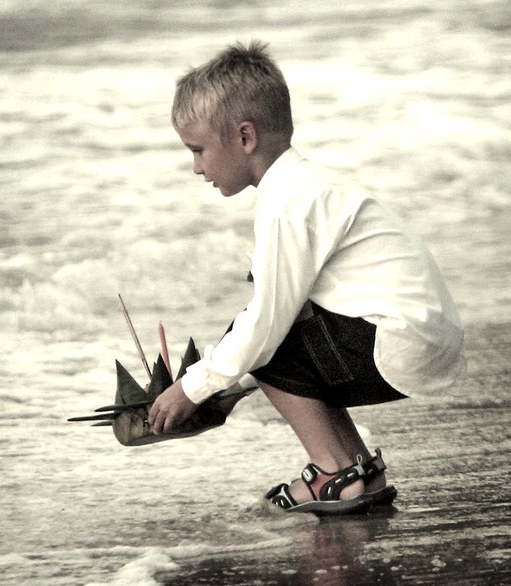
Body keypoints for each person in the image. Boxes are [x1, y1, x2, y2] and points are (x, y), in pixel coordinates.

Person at [147, 41, 466, 515]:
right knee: (267, 337)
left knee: (257, 336)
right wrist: (224, 383)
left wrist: (192, 387)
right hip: (417, 340)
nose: (196, 167)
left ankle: (334, 470)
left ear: (245, 138)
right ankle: (359, 469)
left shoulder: (286, 206)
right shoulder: (309, 185)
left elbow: (266, 327)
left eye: (198, 150)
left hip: (394, 347)